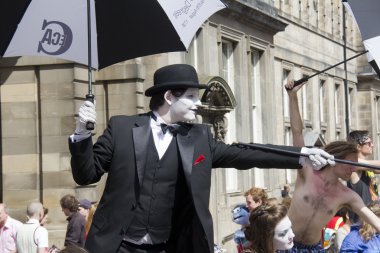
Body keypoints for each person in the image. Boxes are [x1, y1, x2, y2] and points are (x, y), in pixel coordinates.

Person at [69, 64, 334, 253]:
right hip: (117, 245)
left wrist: (301, 155)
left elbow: (244, 153)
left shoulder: (199, 138)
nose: (199, 103)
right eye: (192, 96)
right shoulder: (123, 128)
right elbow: (86, 174)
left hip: (170, 246)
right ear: (169, 96)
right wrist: (82, 133)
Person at [284, 80, 380, 252]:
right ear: (335, 159)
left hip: (313, 249)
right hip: (285, 244)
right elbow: (297, 132)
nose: (353, 168)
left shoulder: (347, 195)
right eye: (350, 163)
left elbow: (376, 221)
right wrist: (292, 97)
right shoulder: (307, 171)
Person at [348, 130, 380, 223]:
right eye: (369, 143)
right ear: (358, 146)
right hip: (361, 224)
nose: (372, 145)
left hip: (372, 222)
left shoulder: (366, 167)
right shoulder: (352, 163)